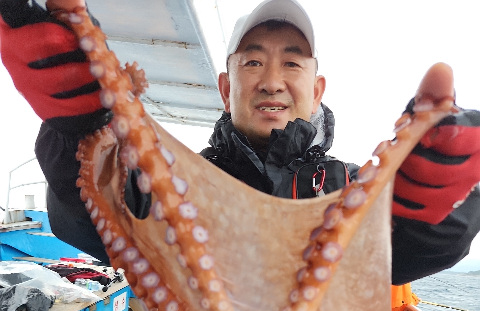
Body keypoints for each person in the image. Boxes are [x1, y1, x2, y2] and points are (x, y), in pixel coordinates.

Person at [1, 0, 480, 285]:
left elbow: (408, 248)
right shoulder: (174, 186)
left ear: (316, 90)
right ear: (226, 88)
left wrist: (437, 204)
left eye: (292, 63)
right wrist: (81, 130)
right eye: (252, 63)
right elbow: (98, 218)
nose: (271, 81)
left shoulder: (350, 188)